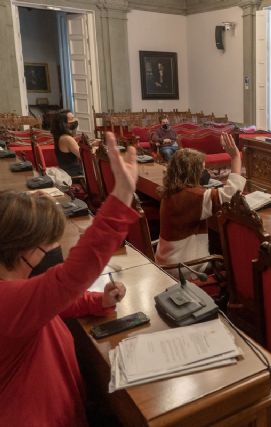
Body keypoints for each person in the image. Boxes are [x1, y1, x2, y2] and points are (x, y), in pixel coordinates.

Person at [0, 131, 138, 427]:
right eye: (46, 246)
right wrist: (122, 197)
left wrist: (97, 300)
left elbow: (54, 305)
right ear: (21, 249)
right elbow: (69, 278)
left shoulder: (19, 295)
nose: (50, 253)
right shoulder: (7, 302)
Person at [155, 133, 245, 274]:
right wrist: (235, 157)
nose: (206, 173)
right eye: (202, 169)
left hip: (167, 261)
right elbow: (231, 194)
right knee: (235, 267)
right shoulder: (191, 196)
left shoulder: (172, 191)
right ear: (193, 173)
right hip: (182, 268)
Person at [51, 110, 84, 177]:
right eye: (71, 119)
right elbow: (84, 156)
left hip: (65, 170)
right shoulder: (67, 139)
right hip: (72, 172)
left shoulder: (60, 136)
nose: (75, 121)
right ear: (63, 124)